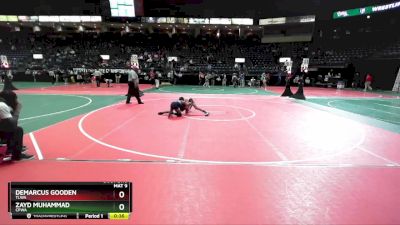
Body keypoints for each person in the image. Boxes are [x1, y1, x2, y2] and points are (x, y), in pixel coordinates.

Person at [0, 91, 34, 160]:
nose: (17, 101)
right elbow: (12, 125)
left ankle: (10, 147)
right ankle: (16, 155)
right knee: (18, 130)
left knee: (6, 127)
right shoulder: (2, 105)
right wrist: (17, 110)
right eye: (15, 99)